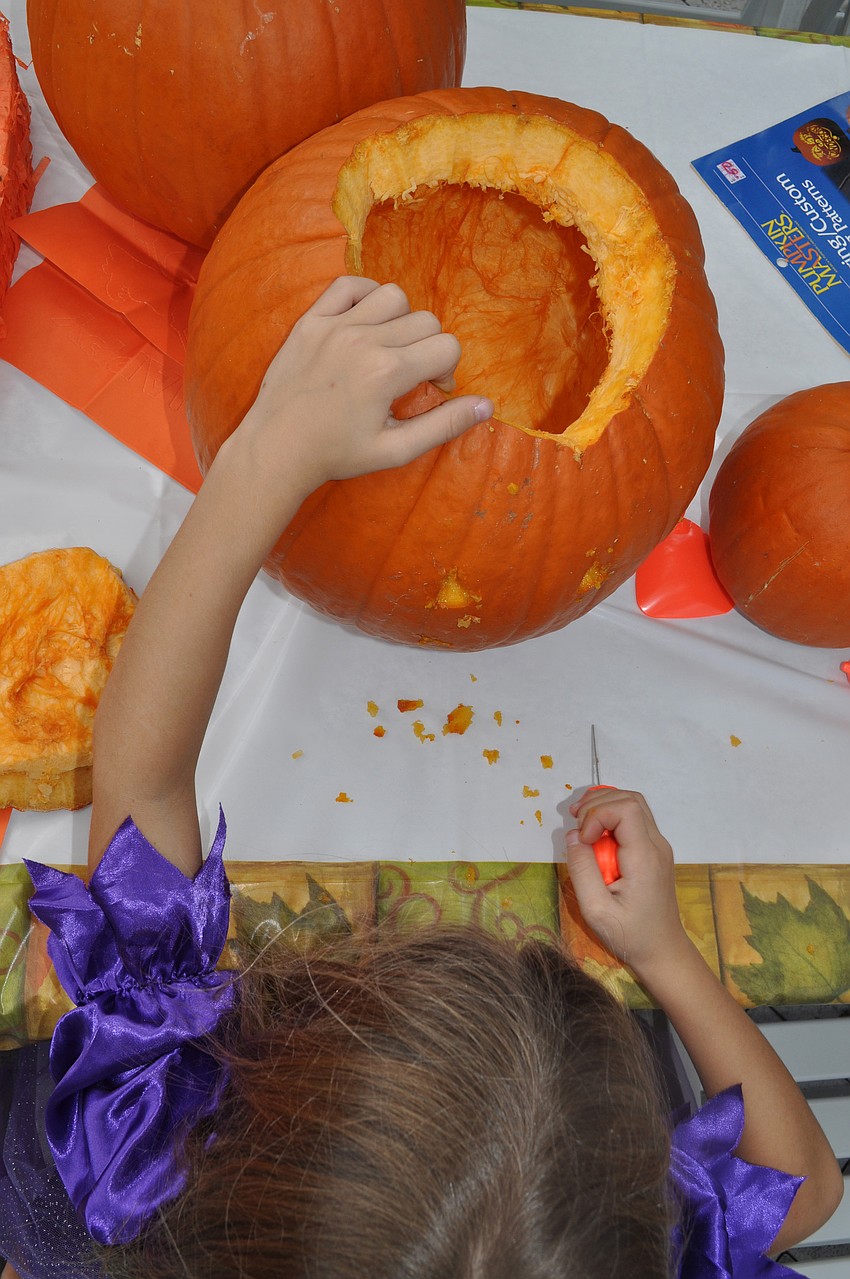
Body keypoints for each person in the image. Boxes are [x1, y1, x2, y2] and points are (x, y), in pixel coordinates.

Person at [1, 278, 843, 1278]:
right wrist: (663, 953)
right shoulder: (612, 1255)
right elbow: (799, 1190)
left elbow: (142, 789)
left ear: (276, 1099)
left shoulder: (127, 1164)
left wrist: (264, 462)